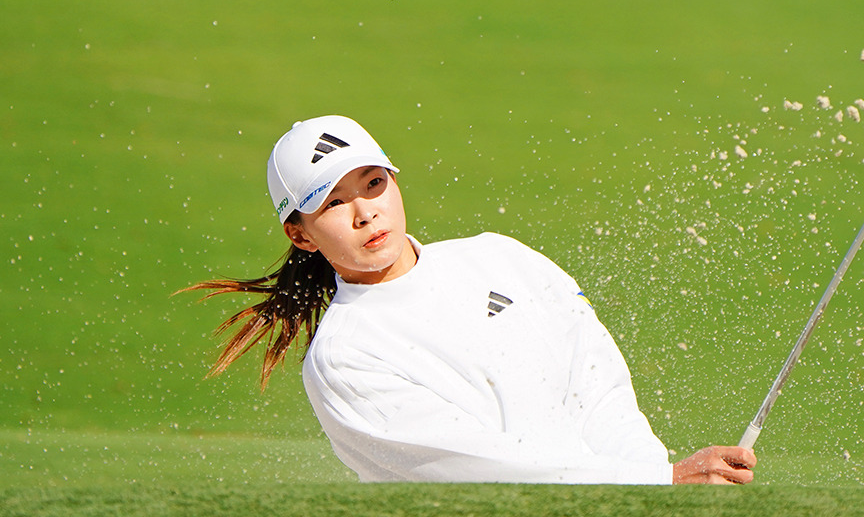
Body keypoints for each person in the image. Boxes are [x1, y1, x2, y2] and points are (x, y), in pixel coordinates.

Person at [186, 115, 756, 485]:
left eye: (373, 184)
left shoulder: (501, 257)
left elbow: (597, 385)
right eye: (332, 202)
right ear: (301, 234)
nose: (365, 212)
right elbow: (482, 471)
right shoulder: (344, 358)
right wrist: (662, 483)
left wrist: (658, 484)